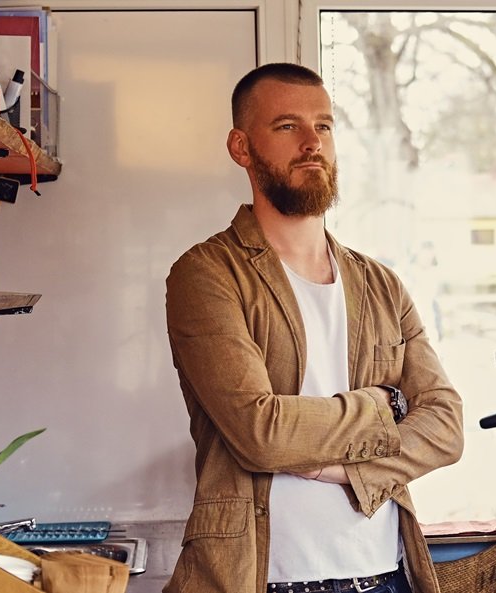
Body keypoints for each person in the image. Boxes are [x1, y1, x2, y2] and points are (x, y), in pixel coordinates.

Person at [164, 62, 465, 593]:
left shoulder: (381, 285)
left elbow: (446, 425)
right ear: (241, 147)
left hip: (387, 573)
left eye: (323, 126)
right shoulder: (207, 274)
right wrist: (382, 405)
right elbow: (261, 433)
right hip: (264, 577)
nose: (312, 143)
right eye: (287, 126)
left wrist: (347, 471)